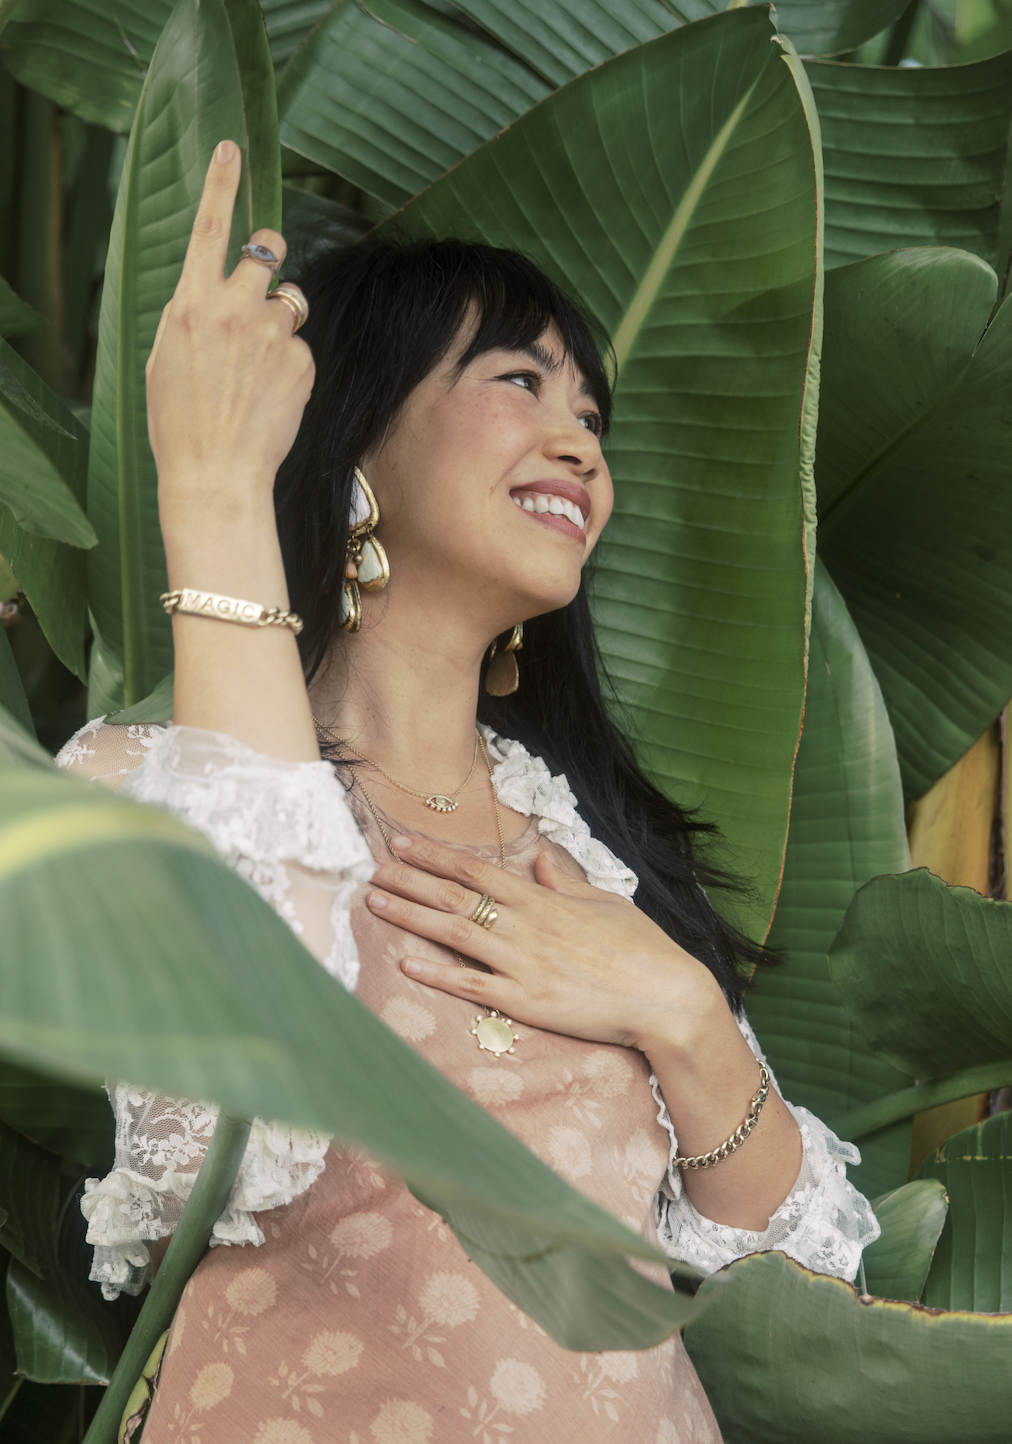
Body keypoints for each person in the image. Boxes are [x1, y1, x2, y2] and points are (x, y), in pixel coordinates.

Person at [59, 142, 878, 1444]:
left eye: (593, 418)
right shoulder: (139, 787)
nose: (581, 444)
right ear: (356, 434)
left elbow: (797, 1290)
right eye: (519, 380)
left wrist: (680, 1013)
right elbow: (220, 1132)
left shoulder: (592, 852)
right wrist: (214, 493)